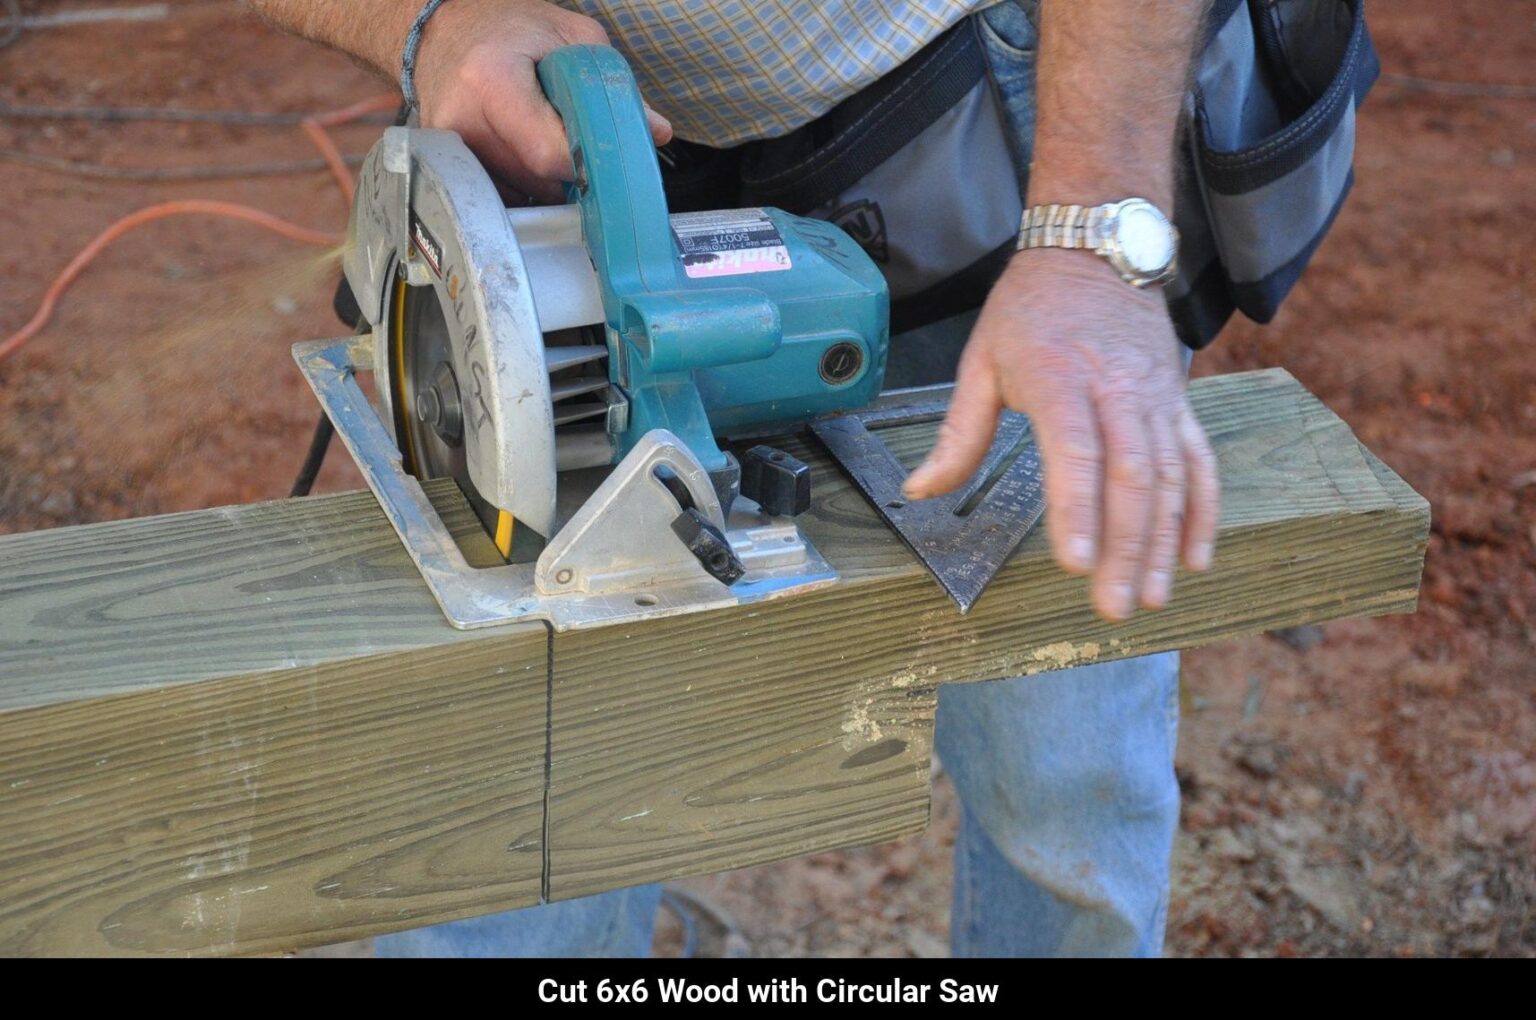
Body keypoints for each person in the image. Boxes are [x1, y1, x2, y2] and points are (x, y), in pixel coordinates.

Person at [248, 0, 1291, 957]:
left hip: (994, 129)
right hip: (531, 130)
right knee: (511, 828)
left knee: (1065, 765)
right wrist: (426, 21)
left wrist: (1093, 230)